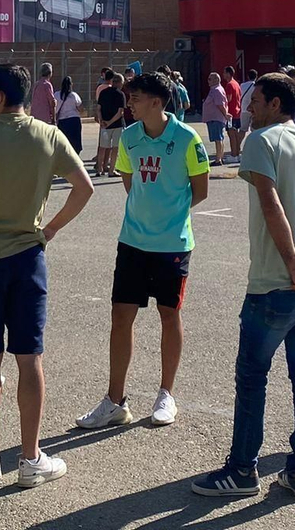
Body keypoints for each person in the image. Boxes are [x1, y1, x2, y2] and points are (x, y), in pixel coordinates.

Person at [191, 73, 295, 501]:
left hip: (274, 286)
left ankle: (242, 469)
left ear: (277, 104)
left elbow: (270, 202)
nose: (249, 109)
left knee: (252, 377)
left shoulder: (262, 142)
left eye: (256, 101)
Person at [0, 64, 94, 489]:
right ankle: (31, 458)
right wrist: (49, 227)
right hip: (28, 255)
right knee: (29, 356)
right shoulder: (48, 135)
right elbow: (83, 187)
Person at [77, 71, 209, 431]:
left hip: (173, 245)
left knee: (170, 315)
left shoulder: (186, 138)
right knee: (121, 317)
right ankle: (114, 401)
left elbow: (201, 190)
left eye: (135, 99)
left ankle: (166, 393)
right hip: (132, 241)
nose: (128, 104)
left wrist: (170, 214)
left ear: (156, 101)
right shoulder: (131, 137)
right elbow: (127, 178)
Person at [94, 70, 128, 178]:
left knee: (102, 147)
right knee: (115, 148)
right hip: (117, 125)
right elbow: (120, 112)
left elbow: (98, 108)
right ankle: (111, 170)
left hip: (104, 124)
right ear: (120, 83)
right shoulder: (120, 94)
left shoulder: (103, 92)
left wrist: (102, 120)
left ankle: (99, 169)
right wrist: (110, 122)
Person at [202, 72, 230, 166]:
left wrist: (225, 114)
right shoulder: (216, 89)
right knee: (219, 139)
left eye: (210, 79)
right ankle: (220, 158)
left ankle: (218, 159)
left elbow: (220, 104)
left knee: (218, 139)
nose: (208, 81)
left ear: (216, 80)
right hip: (215, 118)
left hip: (216, 118)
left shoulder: (216, 90)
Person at [54, 77, 84, 160]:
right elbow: (81, 109)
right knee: (75, 141)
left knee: (64, 141)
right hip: (74, 120)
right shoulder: (74, 95)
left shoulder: (57, 95)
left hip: (62, 121)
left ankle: (64, 159)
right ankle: (75, 159)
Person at [222, 66, 244, 164]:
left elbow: (228, 99)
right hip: (237, 112)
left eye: (224, 72)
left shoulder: (229, 85)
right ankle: (237, 153)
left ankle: (234, 155)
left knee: (232, 135)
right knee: (235, 134)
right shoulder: (236, 84)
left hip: (230, 113)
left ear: (228, 73)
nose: (223, 74)